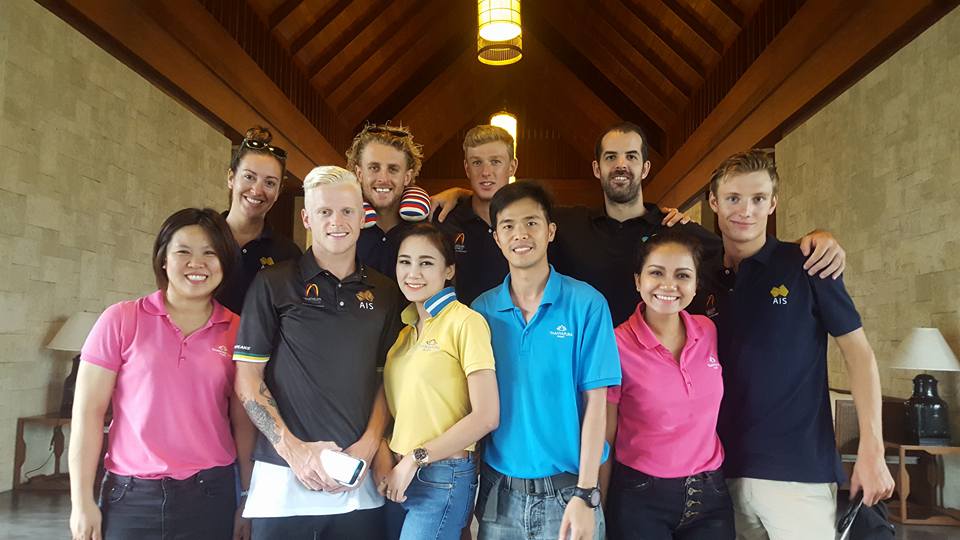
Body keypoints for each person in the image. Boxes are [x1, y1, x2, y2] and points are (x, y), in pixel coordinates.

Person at [433, 122, 847, 325]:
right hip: (581, 373)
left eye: (630, 157)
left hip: (654, 377)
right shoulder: (568, 224)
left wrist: (815, 239)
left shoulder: (675, 230)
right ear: (597, 168)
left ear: (645, 166)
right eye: (611, 157)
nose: (621, 165)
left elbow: (745, 246)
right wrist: (464, 195)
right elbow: (517, 224)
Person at [700, 150, 894, 539]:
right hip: (719, 470)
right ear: (714, 202)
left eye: (758, 199)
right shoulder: (700, 277)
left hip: (797, 475)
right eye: (734, 198)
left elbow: (859, 355)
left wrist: (874, 448)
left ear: (772, 203)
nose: (746, 210)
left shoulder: (808, 263)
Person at [232, 165, 403, 539]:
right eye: (324, 211)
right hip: (282, 483)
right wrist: (294, 451)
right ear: (307, 218)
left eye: (346, 211)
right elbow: (247, 379)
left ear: (362, 216)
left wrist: (371, 443)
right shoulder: (272, 283)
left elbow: (387, 379)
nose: (336, 221)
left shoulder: (387, 292)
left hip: (357, 486)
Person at [69, 208, 254, 540]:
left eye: (210, 253)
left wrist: (247, 499)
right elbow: (88, 414)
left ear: (224, 264)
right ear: (164, 260)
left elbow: (244, 420)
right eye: (183, 252)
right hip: (130, 497)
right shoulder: (121, 320)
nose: (196, 263)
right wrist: (81, 502)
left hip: (211, 494)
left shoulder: (238, 330)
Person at [471, 181, 621, 540]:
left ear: (550, 231)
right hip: (500, 497)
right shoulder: (480, 312)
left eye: (531, 223)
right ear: (496, 238)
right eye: (507, 225)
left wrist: (586, 494)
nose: (520, 234)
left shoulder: (587, 304)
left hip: (570, 494)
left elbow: (597, 405)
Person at [601, 230, 734, 540]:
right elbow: (605, 433)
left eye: (682, 275)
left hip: (710, 494)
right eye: (656, 273)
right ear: (638, 281)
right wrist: (599, 501)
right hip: (640, 496)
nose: (669, 285)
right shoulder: (615, 344)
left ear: (696, 283)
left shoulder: (708, 330)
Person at [379, 223, 500, 540]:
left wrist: (412, 461)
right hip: (397, 473)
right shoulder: (405, 332)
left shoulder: (466, 322)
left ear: (449, 270)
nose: (413, 272)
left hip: (442, 476)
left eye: (426, 263)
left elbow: (487, 416)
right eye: (405, 261)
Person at [218, 126, 302, 314]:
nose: (257, 190)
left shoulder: (288, 255)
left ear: (279, 191)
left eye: (270, 183)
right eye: (249, 177)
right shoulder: (202, 237)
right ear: (231, 178)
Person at [433, 125, 515, 305]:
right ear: (466, 168)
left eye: (495, 162)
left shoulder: (527, 223)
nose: (486, 172)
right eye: (477, 162)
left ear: (512, 167)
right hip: (458, 330)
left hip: (514, 329)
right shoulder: (444, 218)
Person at [346, 123, 425, 278]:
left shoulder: (428, 229)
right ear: (359, 173)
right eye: (374, 168)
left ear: (407, 177)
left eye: (393, 169)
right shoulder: (343, 230)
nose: (383, 179)